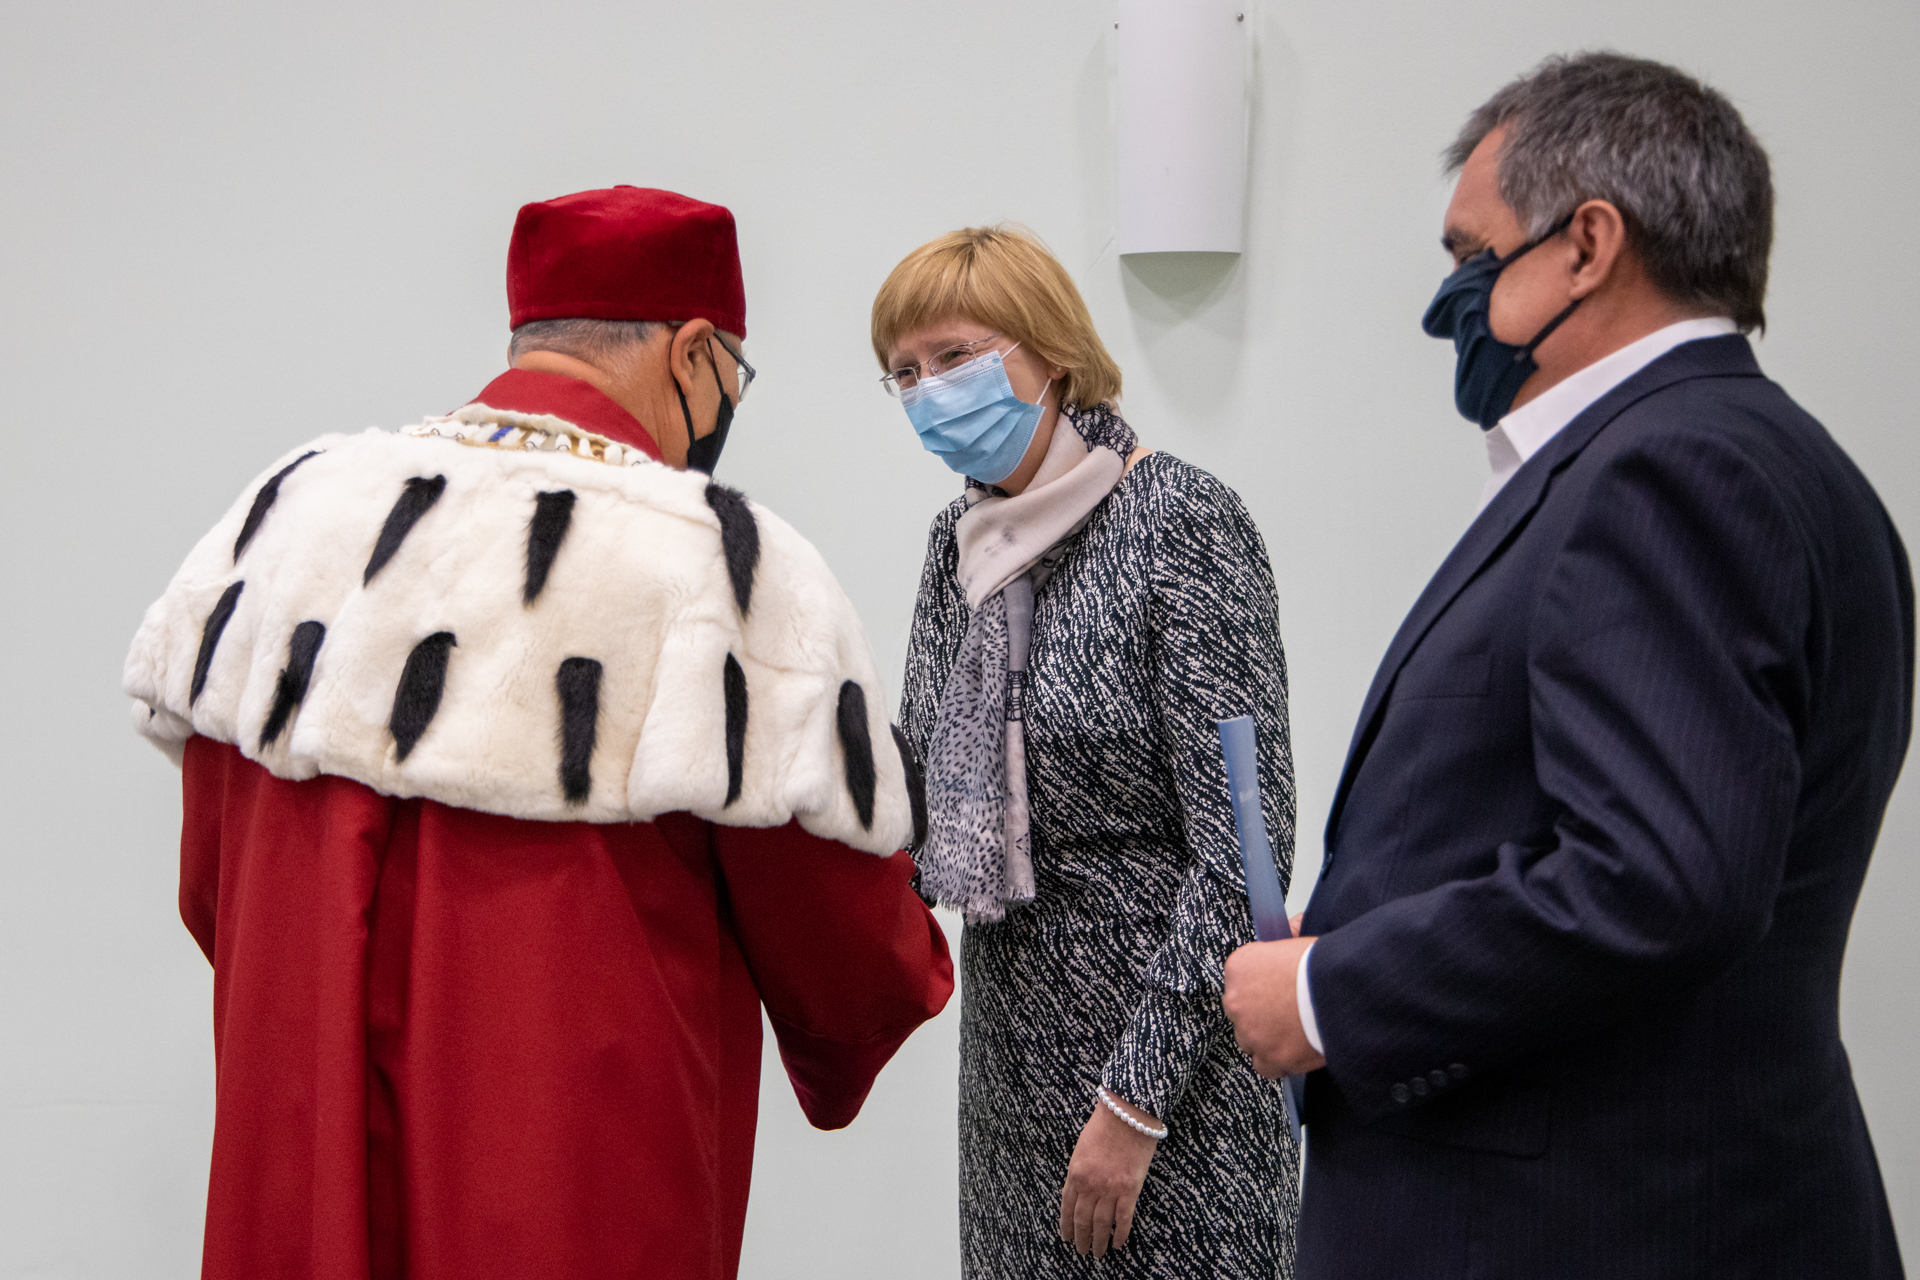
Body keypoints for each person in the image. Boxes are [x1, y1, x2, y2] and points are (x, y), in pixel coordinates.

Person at [123, 185, 954, 1280]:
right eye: (733, 374)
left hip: (303, 1153)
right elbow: (839, 947)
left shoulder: (288, 516)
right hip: (572, 1179)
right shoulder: (715, 568)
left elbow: (211, 883)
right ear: (694, 353)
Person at [1222, 53, 1911, 1279]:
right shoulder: (1783, 462)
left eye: (1470, 253)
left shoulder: (1666, 472)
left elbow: (1657, 877)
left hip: (1584, 1220)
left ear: (1587, 244)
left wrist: (1332, 991)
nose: (1447, 302)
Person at [877, 226, 1298, 1277]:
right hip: (1011, 1068)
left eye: (955, 356)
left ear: (1050, 351)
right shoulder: (959, 546)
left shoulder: (1179, 521)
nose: (930, 392)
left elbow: (1245, 852)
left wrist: (1135, 1099)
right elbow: (916, 791)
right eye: (904, 373)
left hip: (1174, 1075)